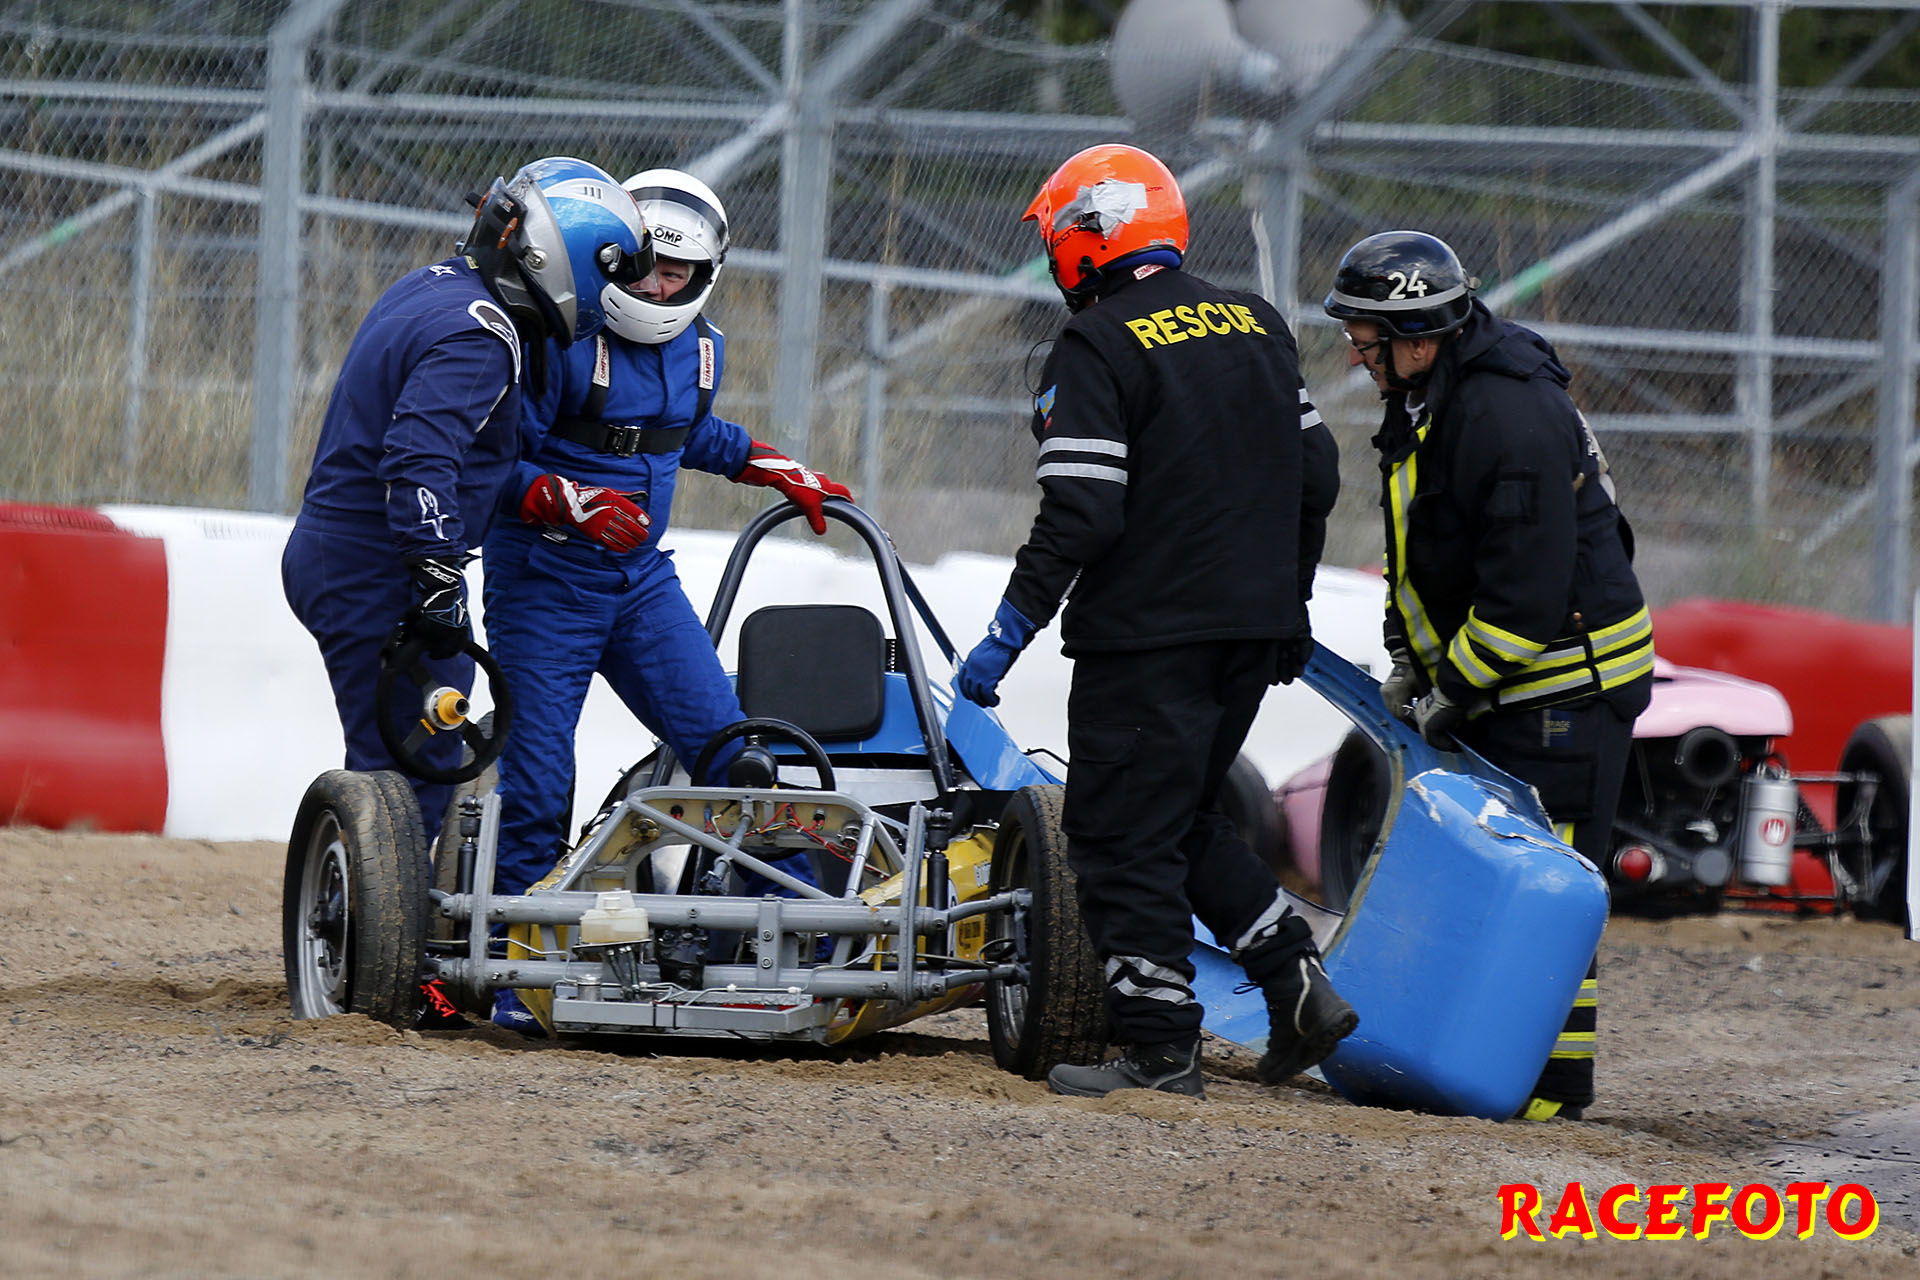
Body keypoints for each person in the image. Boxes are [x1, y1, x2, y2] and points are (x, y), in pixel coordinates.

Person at [956, 143, 1353, 1099]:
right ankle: (1295, 981)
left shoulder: (1096, 342)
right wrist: (1289, 600)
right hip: (1252, 629)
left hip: (1150, 634)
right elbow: (1319, 474)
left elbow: (1083, 513)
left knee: (1115, 832)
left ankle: (1160, 1047)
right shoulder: (1255, 322)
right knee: (1179, 816)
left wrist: (1008, 629)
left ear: (1086, 237)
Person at [480, 167, 851, 1033]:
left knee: (740, 762)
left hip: (642, 584)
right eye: (643, 268)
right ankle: (512, 974)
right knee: (539, 785)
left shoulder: (704, 349)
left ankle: (777, 948)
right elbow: (490, 458)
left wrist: (768, 464)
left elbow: (683, 431)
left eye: (674, 274)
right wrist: (559, 498)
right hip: (543, 583)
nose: (654, 288)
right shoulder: (557, 335)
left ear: (703, 275)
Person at [1323, 229, 1654, 1122]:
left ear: (1417, 337)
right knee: (1505, 881)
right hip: (1516, 680)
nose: (1355, 353)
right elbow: (1421, 545)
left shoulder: (1506, 416)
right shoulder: (1435, 397)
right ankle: (1506, 1075)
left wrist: (1452, 691)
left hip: (1565, 688)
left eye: (1364, 336)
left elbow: (1525, 597)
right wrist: (1408, 656)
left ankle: (1548, 1095)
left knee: (1546, 889)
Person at [283, 156, 653, 829]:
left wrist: (550, 496)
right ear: (564, 257)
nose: (613, 294)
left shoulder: (438, 285)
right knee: (412, 768)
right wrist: (437, 578)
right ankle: (377, 895)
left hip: (346, 548)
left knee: (416, 748)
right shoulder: (482, 335)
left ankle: (381, 883)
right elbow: (418, 461)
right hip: (374, 562)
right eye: (609, 274)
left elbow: (454, 459)